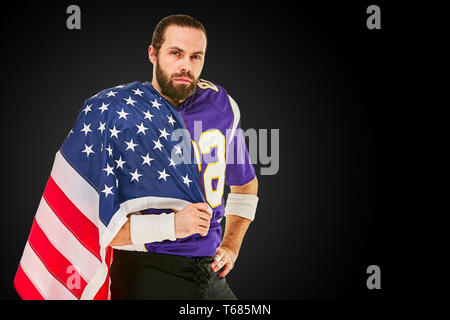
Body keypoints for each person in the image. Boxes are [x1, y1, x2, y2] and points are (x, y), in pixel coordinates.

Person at [107, 14, 259, 299]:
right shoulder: (117, 116)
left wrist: (232, 246)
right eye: (175, 53)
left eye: (196, 57)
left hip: (209, 272)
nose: (185, 66)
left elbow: (245, 186)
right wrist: (171, 226)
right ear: (153, 54)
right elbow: (94, 227)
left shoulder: (220, 105)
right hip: (145, 272)